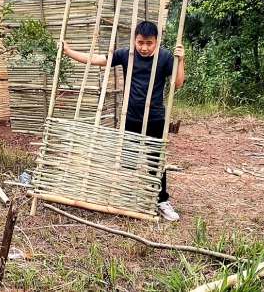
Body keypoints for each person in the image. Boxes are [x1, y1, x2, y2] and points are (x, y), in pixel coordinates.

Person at [62, 20, 185, 221]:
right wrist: (69, 52)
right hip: (131, 117)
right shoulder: (126, 54)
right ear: (134, 40)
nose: (144, 47)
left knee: (156, 161)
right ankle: (130, 195)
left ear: (156, 42)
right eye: (140, 42)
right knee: (128, 161)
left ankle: (162, 201)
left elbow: (178, 84)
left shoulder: (164, 57)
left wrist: (181, 61)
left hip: (155, 117)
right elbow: (97, 59)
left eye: (149, 43)